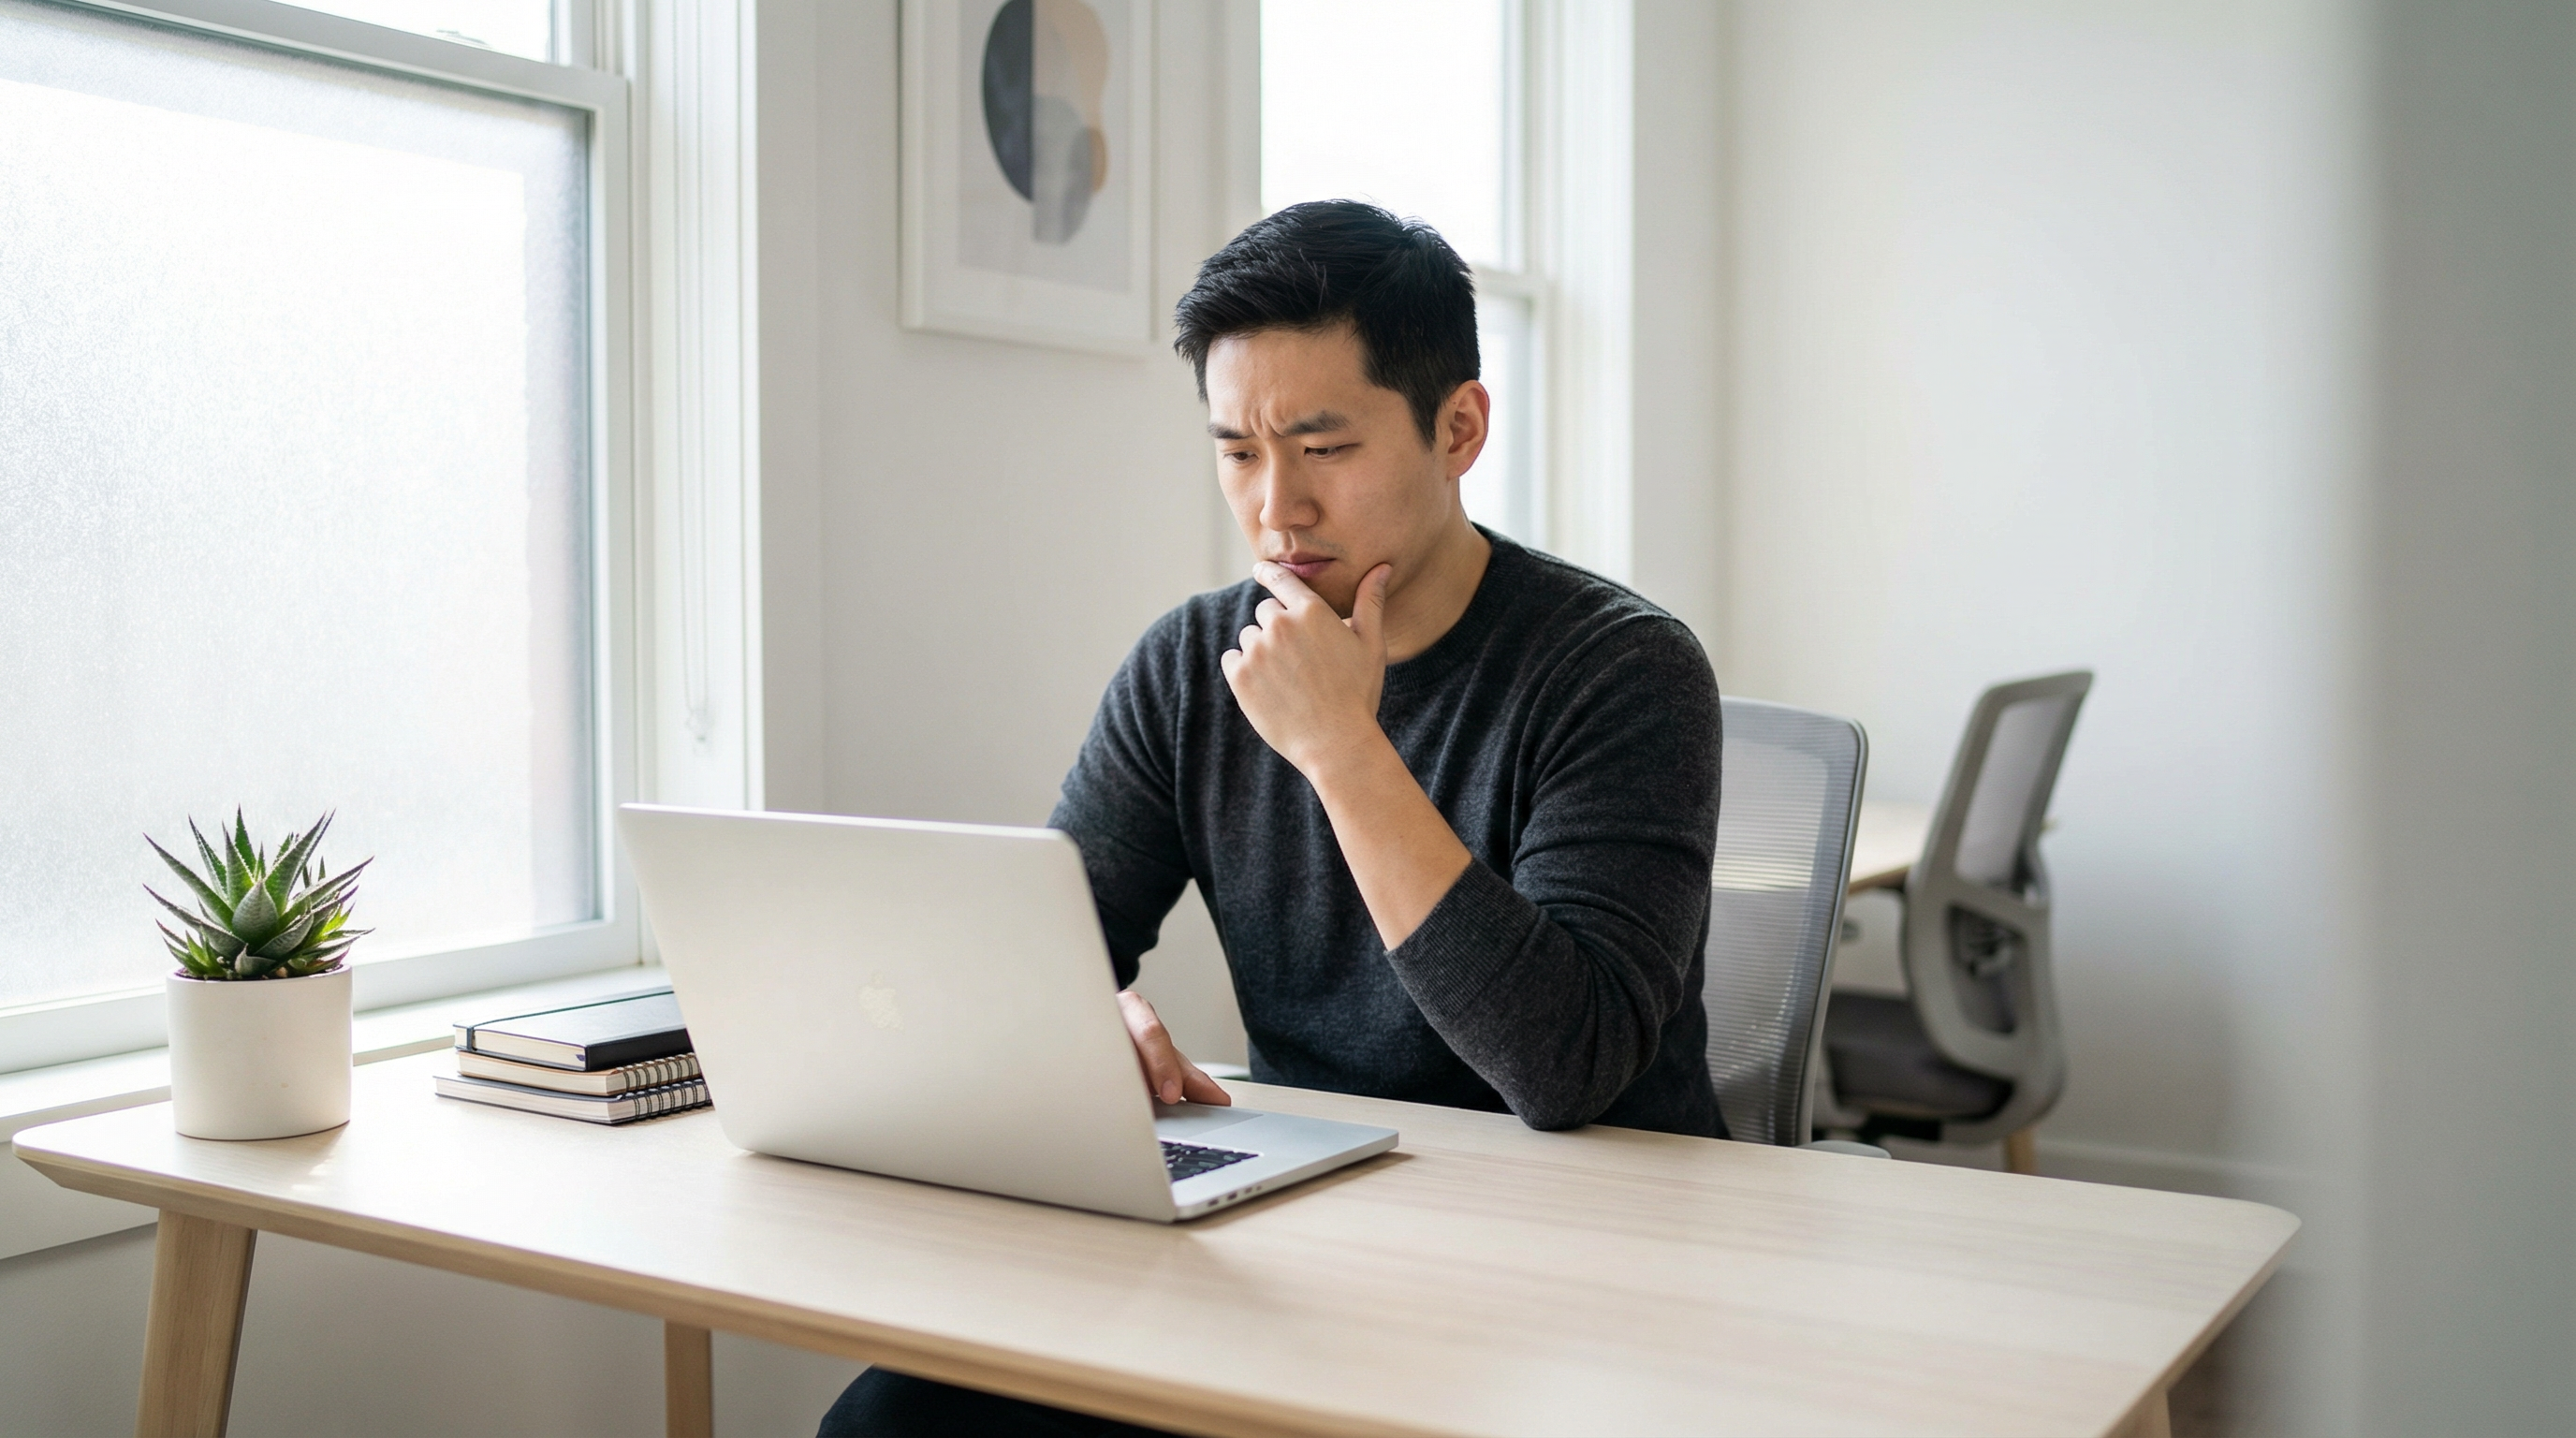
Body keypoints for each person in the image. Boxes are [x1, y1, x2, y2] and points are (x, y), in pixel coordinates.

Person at [819, 200, 1723, 1438]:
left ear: (1458, 428)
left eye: (1323, 446)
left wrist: (1342, 749)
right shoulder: (1192, 669)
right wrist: (1081, 1017)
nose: (1276, 507)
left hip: (1589, 1258)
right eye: (1238, 450)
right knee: (896, 1421)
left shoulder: (1622, 670)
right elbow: (1045, 954)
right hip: (1318, 1232)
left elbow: (1567, 1069)